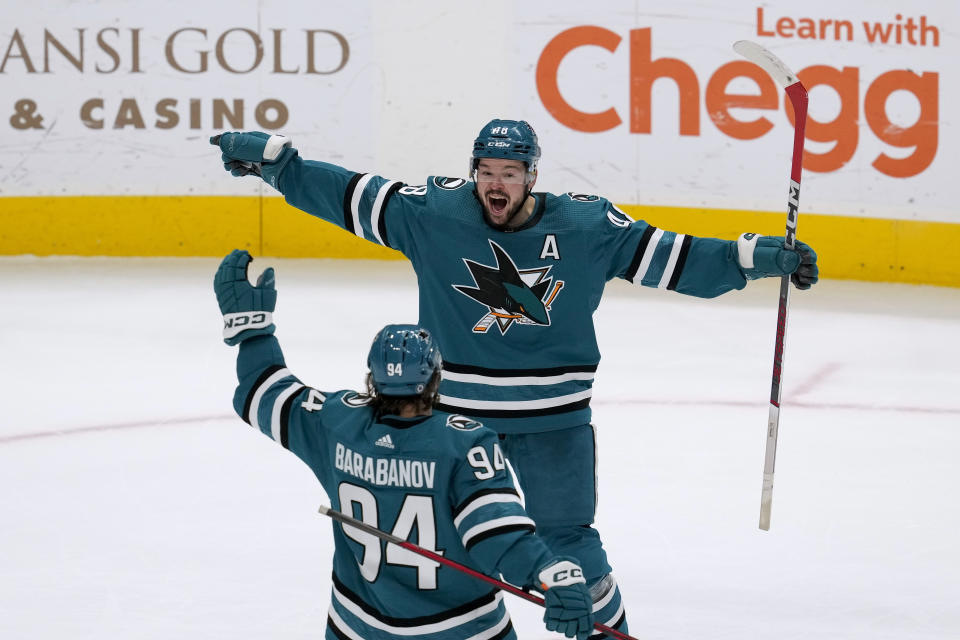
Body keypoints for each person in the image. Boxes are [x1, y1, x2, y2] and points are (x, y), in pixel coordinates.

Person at [211, 122, 819, 637]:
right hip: (452, 425)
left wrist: (754, 258)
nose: (494, 183)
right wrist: (278, 165)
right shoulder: (435, 215)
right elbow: (347, 196)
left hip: (554, 423)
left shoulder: (587, 228)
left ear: (532, 175)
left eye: (509, 171)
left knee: (573, 548)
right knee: (450, 552)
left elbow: (675, 259)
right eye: (486, 170)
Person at [214, 248, 597, 640]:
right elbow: (498, 535)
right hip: (462, 630)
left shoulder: (335, 421)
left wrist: (252, 329)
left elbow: (264, 389)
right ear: (433, 380)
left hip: (355, 627)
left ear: (373, 377)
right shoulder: (463, 443)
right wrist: (552, 574)